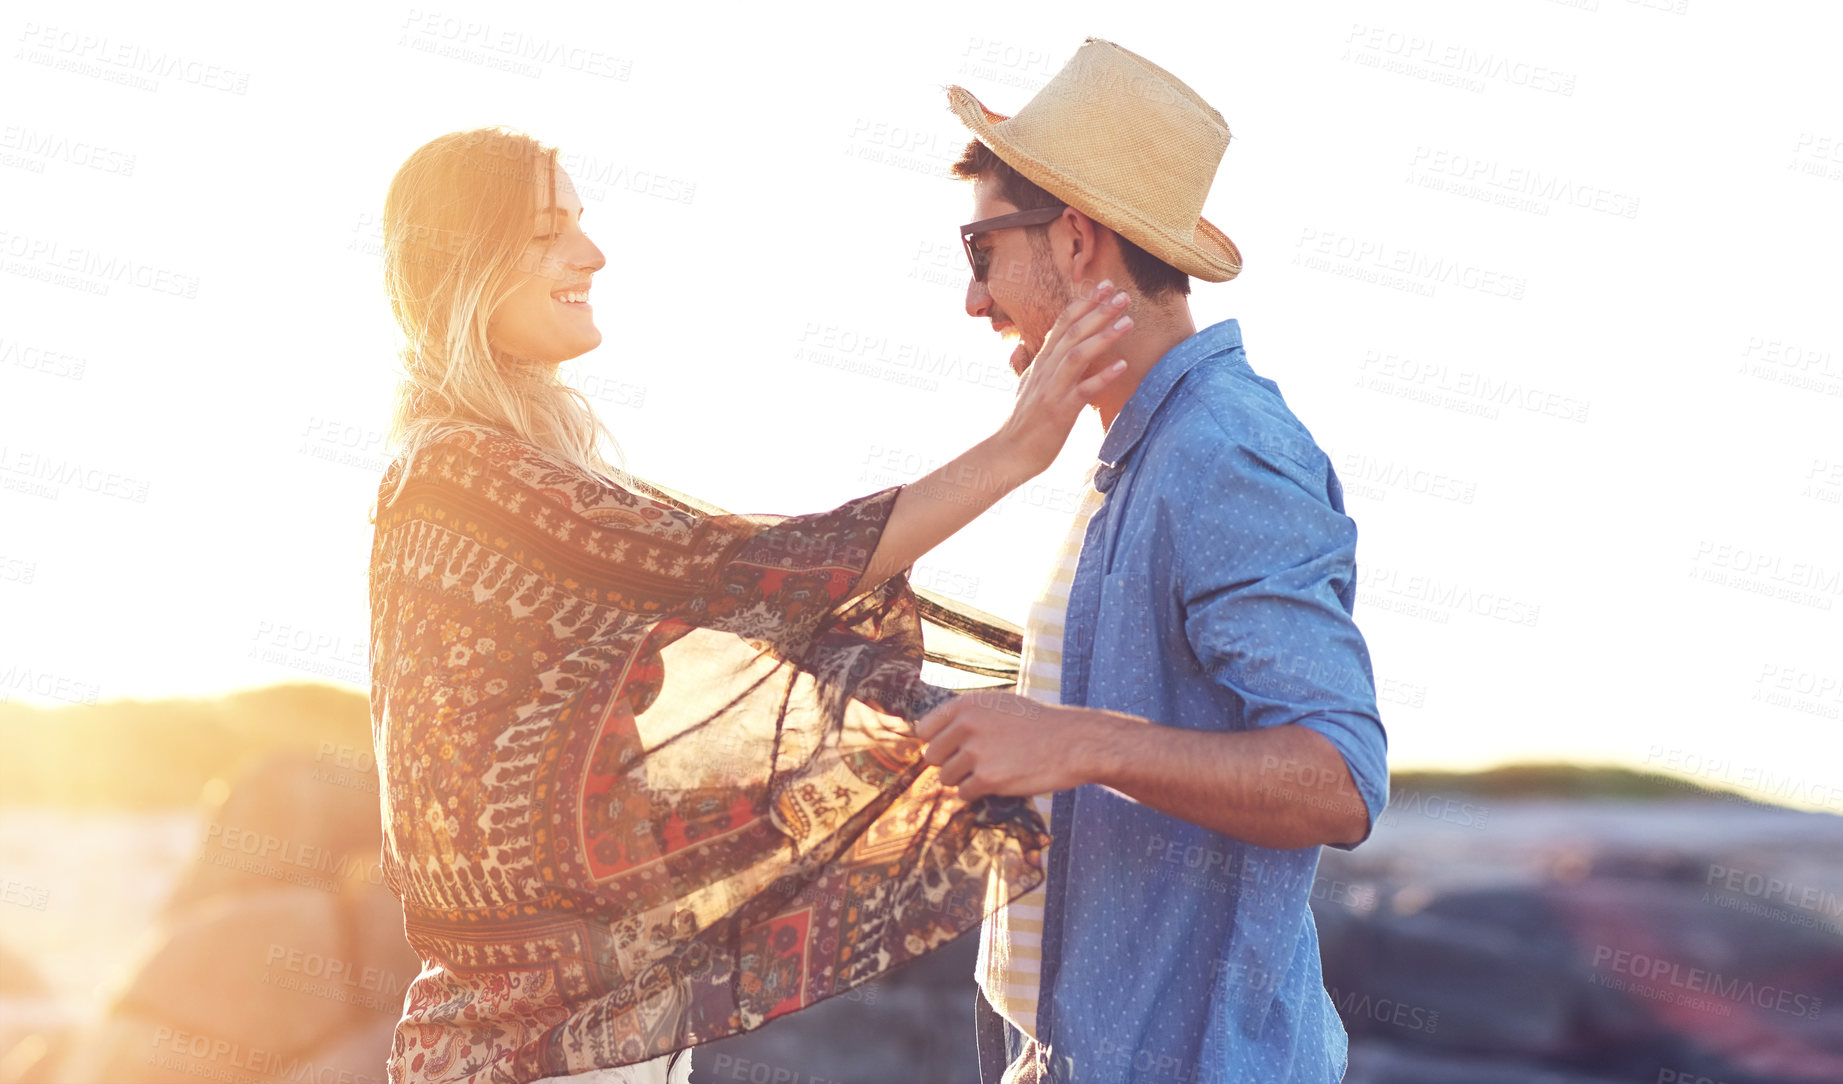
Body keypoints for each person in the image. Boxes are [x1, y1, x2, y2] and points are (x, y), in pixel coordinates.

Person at [366, 127, 1135, 1084]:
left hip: (571, 1036)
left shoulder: (492, 470)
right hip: (516, 1052)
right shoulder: (458, 476)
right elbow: (753, 574)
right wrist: (1018, 447)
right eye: (544, 232)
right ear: (465, 264)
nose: (590, 254)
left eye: (581, 224)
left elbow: (723, 606)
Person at [911, 40, 1392, 1083]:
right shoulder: (1133, 459)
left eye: (980, 249)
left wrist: (1079, 743)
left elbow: (1338, 779)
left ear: (1076, 240)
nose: (971, 297)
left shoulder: (1221, 450)